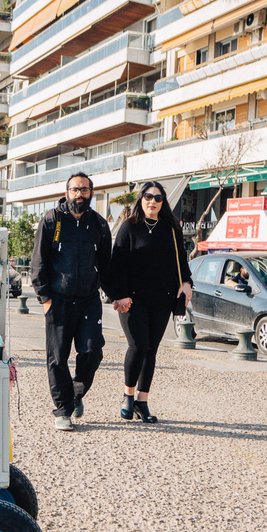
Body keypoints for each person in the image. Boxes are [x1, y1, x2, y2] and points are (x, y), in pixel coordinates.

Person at [30, 172, 112, 432]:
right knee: (57, 358)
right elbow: (38, 263)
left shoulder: (99, 225)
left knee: (92, 351)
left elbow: (107, 266)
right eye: (75, 189)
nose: (80, 194)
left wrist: (116, 294)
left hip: (89, 299)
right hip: (58, 300)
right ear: (67, 192)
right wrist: (45, 298)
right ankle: (63, 410)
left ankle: (77, 391)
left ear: (91, 193)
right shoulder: (51, 221)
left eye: (85, 190)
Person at [105, 180, 192, 424]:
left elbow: (181, 261)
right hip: (133, 299)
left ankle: (142, 401)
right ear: (140, 199)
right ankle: (128, 395)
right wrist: (118, 295)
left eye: (157, 198)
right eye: (147, 196)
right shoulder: (129, 227)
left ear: (163, 203)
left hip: (162, 299)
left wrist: (187, 283)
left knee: (152, 349)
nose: (152, 201)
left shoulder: (171, 228)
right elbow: (116, 264)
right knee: (138, 345)